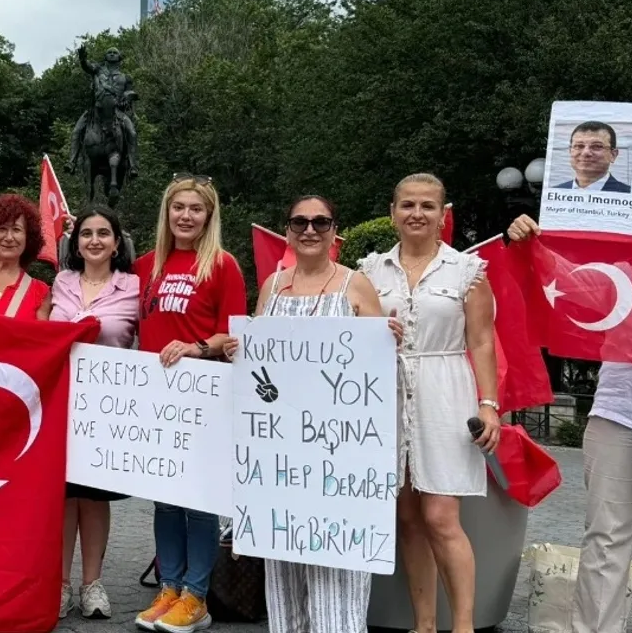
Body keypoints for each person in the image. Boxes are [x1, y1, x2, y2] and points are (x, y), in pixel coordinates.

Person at [507, 192, 632, 633]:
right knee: (606, 540)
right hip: (620, 414)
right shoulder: (618, 275)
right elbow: (555, 282)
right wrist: (528, 242)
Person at [222, 195, 403, 633]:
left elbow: (374, 376)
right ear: (287, 230)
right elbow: (262, 366)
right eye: (299, 222)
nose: (309, 230)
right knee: (285, 583)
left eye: (320, 222)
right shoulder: (272, 287)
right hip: (282, 459)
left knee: (336, 587)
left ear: (334, 231)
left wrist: (389, 339)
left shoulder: (355, 285)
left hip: (340, 461)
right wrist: (238, 351)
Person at [358, 173, 499, 633]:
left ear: (442, 214)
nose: (416, 213)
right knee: (407, 516)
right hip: (387, 393)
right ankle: (424, 624)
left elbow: (481, 341)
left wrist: (489, 404)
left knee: (440, 515)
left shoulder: (467, 270)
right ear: (393, 212)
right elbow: (352, 334)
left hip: (445, 390)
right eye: (407, 205)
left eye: (427, 206)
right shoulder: (370, 271)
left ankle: (464, 625)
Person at [133, 174, 247, 633]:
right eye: (178, 207)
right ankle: (170, 588)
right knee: (164, 501)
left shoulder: (221, 264)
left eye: (195, 209)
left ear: (209, 216)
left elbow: (233, 333)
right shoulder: (146, 265)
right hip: (155, 397)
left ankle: (197, 596)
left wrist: (196, 347)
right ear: (167, 212)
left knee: (199, 500)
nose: (185, 216)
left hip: (203, 394)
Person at [51, 205, 139, 620]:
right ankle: (60, 584)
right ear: (76, 242)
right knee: (64, 495)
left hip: (108, 406)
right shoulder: (60, 283)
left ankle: (92, 584)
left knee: (94, 495)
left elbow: (153, 336)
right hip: (61, 402)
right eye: (86, 233)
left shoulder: (134, 286)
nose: (95, 241)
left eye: (104, 233)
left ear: (117, 243)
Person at [552, 121, 632, 192]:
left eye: (597, 146)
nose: (586, 152)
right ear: (570, 151)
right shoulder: (554, 193)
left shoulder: (628, 194)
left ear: (613, 155)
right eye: (579, 146)